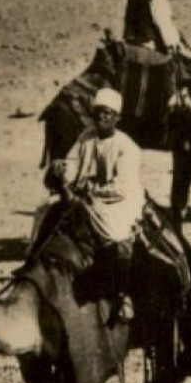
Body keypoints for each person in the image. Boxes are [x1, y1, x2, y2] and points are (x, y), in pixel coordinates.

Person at [55, 88, 144, 323]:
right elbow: (72, 163)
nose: (102, 118)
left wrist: (90, 190)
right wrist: (65, 175)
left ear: (117, 117)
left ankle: (123, 294)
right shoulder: (85, 137)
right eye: (97, 113)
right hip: (85, 196)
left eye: (107, 113)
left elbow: (121, 187)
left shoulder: (127, 147)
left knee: (115, 233)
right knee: (47, 211)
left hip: (117, 201)